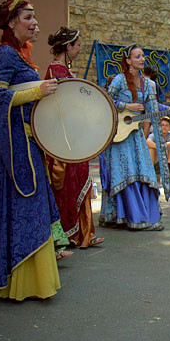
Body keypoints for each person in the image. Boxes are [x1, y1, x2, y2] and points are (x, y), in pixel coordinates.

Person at [0, 0, 62, 300]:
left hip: (27, 142)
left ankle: (32, 279)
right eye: (27, 18)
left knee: (31, 208)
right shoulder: (4, 55)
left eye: (34, 17)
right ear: (11, 22)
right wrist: (38, 90)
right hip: (13, 146)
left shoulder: (18, 56)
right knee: (21, 207)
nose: (35, 23)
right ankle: (17, 281)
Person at [43, 26, 103, 250]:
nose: (79, 50)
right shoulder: (57, 72)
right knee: (70, 184)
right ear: (68, 47)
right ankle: (73, 234)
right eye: (77, 46)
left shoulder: (62, 72)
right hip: (66, 142)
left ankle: (84, 232)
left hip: (71, 139)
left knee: (78, 181)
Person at [100, 43, 163, 231]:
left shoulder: (146, 84)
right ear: (128, 61)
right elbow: (106, 100)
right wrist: (126, 106)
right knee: (126, 173)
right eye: (137, 56)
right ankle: (130, 216)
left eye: (143, 56)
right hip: (120, 136)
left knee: (145, 172)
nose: (142, 59)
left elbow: (153, 107)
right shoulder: (119, 80)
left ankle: (144, 215)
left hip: (136, 136)